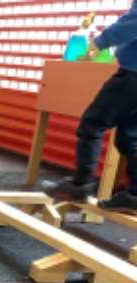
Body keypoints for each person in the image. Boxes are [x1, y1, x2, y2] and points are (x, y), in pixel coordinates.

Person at [42, 2, 137, 213]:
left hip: (133, 74)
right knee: (130, 136)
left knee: (92, 124)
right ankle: (135, 196)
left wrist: (102, 41)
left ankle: (79, 186)